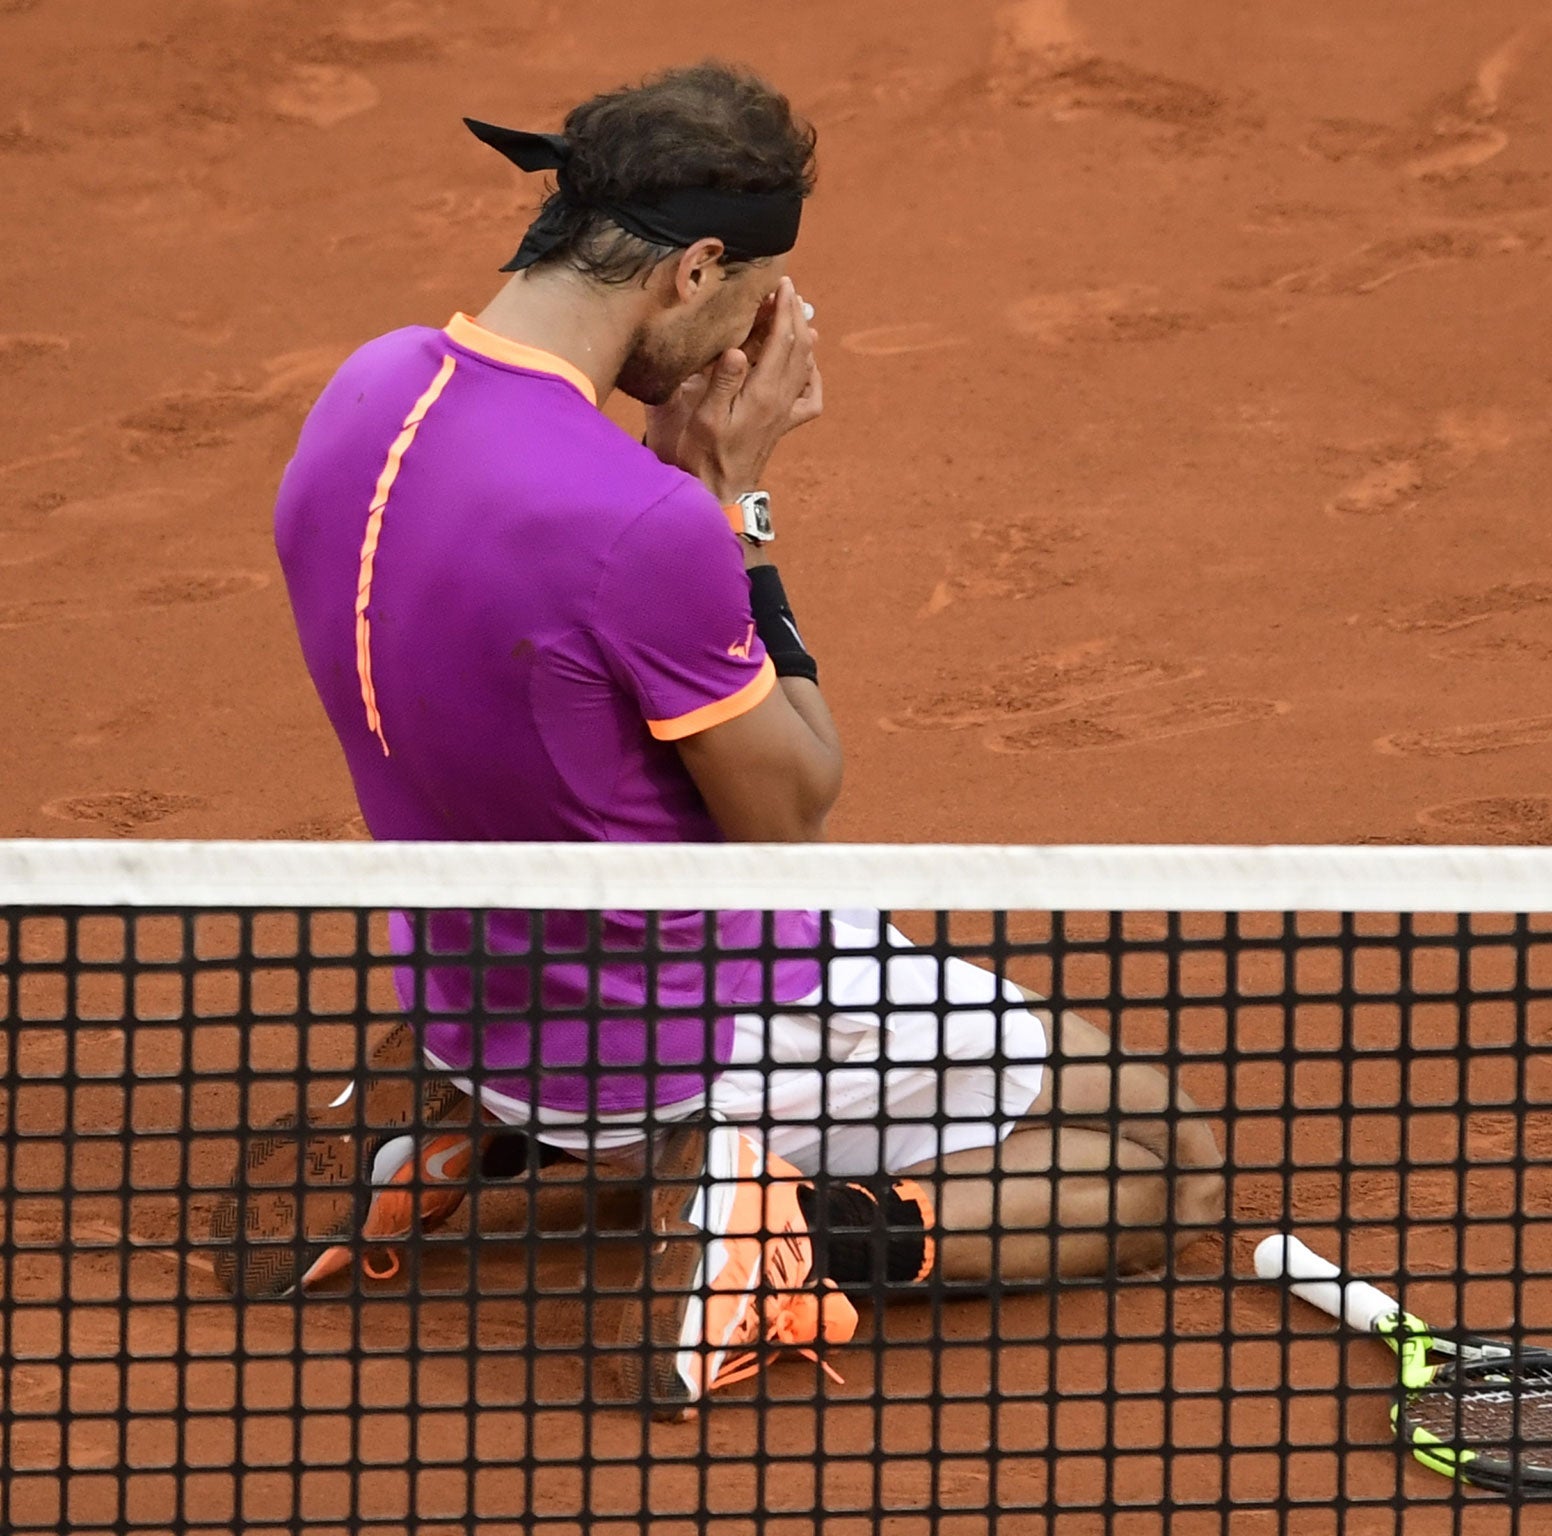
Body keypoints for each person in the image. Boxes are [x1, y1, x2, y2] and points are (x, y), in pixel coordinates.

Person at [216, 60, 1224, 1416]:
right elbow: (794, 807)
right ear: (695, 271)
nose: (755, 339)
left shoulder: (367, 391)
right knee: (1160, 1146)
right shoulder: (643, 525)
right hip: (691, 1018)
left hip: (475, 983)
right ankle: (799, 1236)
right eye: (753, 300)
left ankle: (467, 1125)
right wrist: (735, 505)